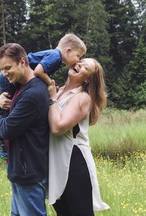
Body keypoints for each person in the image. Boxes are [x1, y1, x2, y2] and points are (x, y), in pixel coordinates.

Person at [0, 33, 87, 159]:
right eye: (78, 56)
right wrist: (50, 83)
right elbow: (38, 71)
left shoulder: (54, 56)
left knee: (9, 105)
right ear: (68, 51)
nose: (78, 61)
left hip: (7, 77)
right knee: (8, 107)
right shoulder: (55, 57)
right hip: (6, 77)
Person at [0, 43, 49, 216]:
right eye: (2, 69)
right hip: (19, 171)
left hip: (28, 173)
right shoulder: (19, 87)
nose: (4, 73)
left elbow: (8, 129)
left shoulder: (33, 94)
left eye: (8, 67)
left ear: (23, 62)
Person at [47, 58, 110, 215]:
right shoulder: (59, 91)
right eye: (80, 62)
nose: (79, 65)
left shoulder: (82, 98)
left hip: (73, 160)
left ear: (88, 78)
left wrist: (52, 99)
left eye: (85, 67)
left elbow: (57, 127)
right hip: (56, 161)